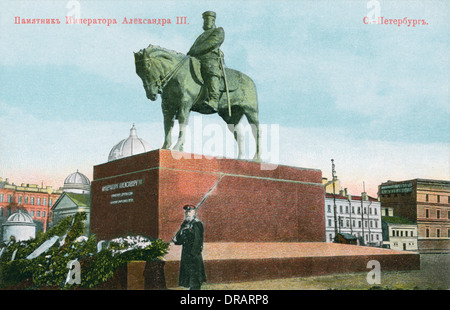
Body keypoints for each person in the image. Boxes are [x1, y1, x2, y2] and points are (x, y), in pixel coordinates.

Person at [187, 11, 225, 110]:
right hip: (196, 59)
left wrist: (194, 51)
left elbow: (211, 43)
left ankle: (214, 99)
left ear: (213, 20)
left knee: (211, 70)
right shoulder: (201, 36)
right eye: (204, 20)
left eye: (207, 20)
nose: (205, 22)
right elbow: (193, 48)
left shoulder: (218, 31)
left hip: (210, 58)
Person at [172, 204, 207, 290]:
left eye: (190, 211)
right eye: (186, 212)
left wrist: (193, 253)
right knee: (188, 275)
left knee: (195, 275)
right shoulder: (185, 224)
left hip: (193, 254)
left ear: (194, 212)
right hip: (185, 253)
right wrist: (176, 240)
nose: (188, 213)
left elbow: (198, 240)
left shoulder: (197, 224)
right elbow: (181, 239)